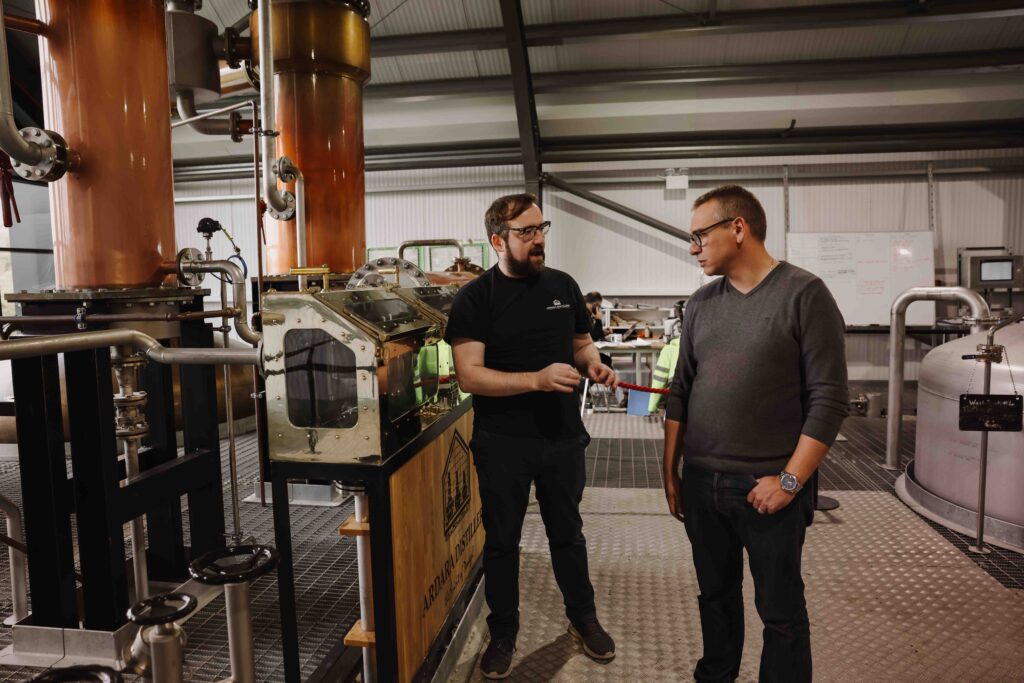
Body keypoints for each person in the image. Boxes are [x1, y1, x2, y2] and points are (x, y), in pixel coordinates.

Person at [663, 185, 848, 683]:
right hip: (703, 484)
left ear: (738, 228)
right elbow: (680, 390)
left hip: (770, 487)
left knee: (780, 611)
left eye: (700, 234)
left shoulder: (804, 295)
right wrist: (671, 471)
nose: (693, 246)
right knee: (715, 597)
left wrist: (789, 482)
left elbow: (829, 401)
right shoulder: (700, 305)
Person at [446, 193, 618, 679]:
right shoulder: (476, 298)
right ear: (498, 240)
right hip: (503, 443)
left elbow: (580, 344)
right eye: (527, 232)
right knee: (502, 541)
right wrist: (536, 380)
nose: (539, 238)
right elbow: (470, 376)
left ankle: (582, 619)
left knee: (569, 534)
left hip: (563, 438)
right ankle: (503, 632)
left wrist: (595, 365)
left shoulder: (562, 285)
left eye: (542, 228)